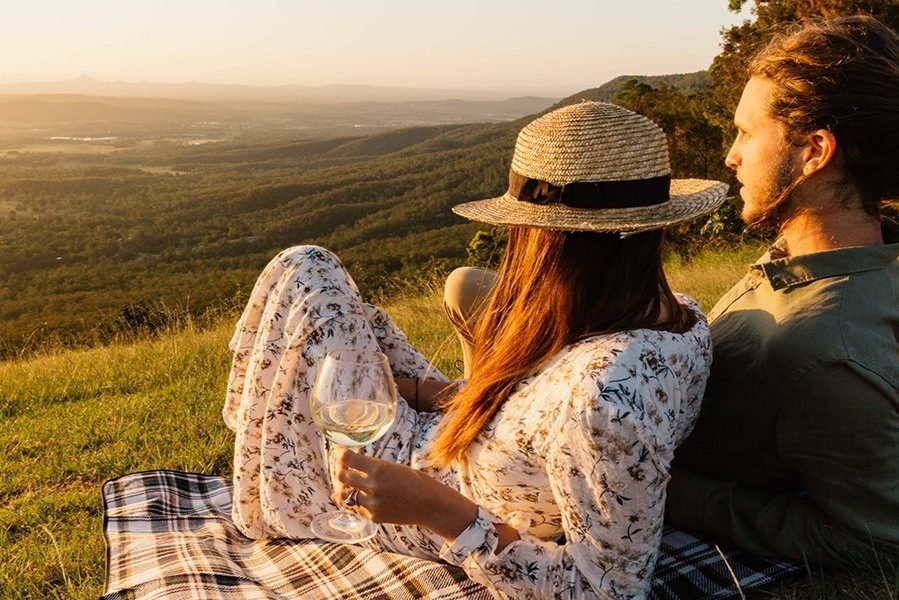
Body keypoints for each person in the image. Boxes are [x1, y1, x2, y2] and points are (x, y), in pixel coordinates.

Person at [223, 101, 727, 598]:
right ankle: (272, 432)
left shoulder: (604, 401)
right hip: (447, 433)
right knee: (322, 287)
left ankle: (268, 464)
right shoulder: (676, 315)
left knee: (306, 272)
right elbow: (538, 414)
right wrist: (428, 393)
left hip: (408, 493)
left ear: (546, 239)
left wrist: (432, 508)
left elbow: (605, 591)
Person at [664, 15, 899, 570]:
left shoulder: (822, 352)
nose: (731, 155)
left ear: (814, 150)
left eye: (747, 132)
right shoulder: (826, 254)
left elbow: (879, 538)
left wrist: (676, 494)